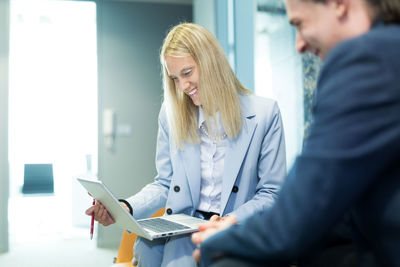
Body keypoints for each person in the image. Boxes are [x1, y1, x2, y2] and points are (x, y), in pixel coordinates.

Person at [192, 0, 400, 266]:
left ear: (339, 4)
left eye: (299, 24)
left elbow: (294, 221)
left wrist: (216, 242)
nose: (298, 45)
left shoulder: (367, 58)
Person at [85, 22, 287, 267]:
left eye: (187, 73)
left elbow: (271, 193)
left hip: (236, 226)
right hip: (184, 223)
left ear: (211, 63)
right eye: (174, 78)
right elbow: (165, 183)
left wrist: (229, 221)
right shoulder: (171, 115)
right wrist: (125, 206)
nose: (182, 87)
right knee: (150, 251)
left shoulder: (265, 114)